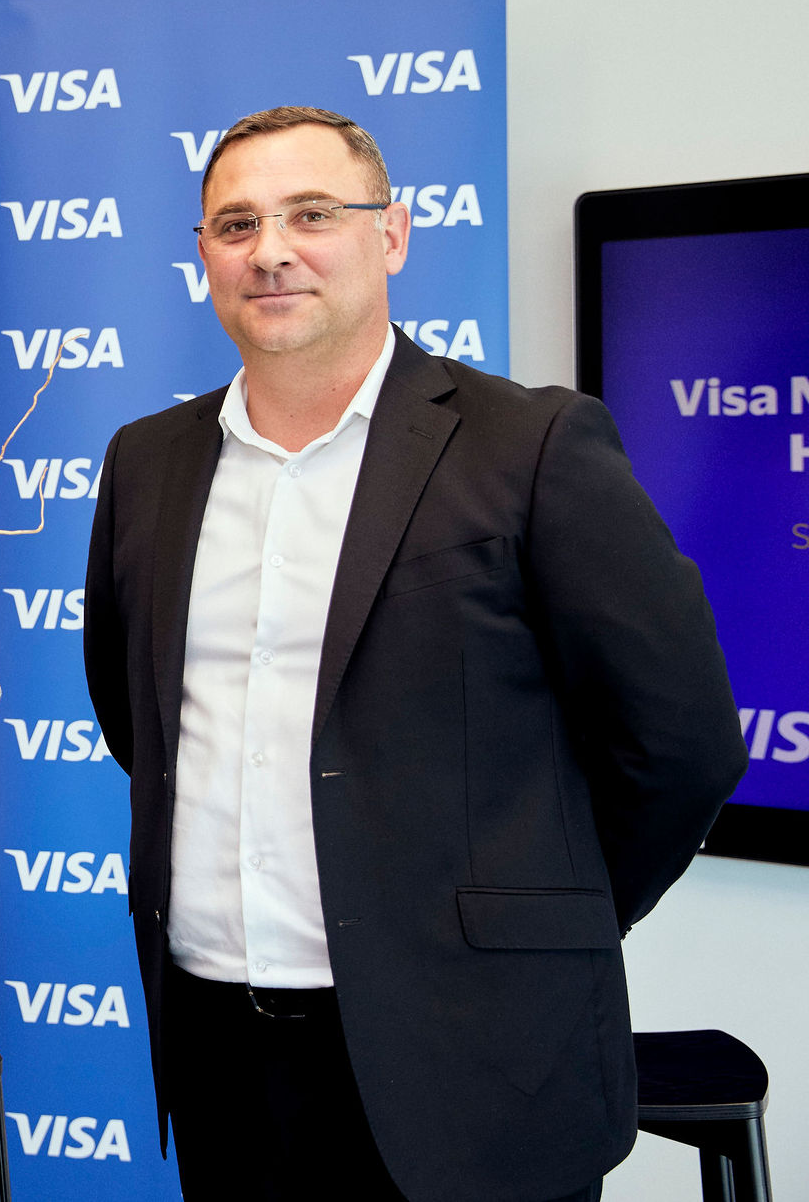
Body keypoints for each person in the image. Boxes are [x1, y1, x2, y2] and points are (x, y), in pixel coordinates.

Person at [81, 106, 747, 1202]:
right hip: (216, 1049)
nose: (271, 250)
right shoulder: (148, 462)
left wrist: (535, 915)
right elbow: (135, 715)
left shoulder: (529, 446)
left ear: (389, 235)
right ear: (202, 254)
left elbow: (677, 742)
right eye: (234, 224)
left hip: (472, 1053)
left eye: (311, 215)